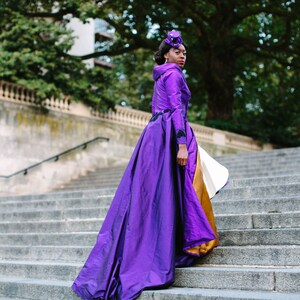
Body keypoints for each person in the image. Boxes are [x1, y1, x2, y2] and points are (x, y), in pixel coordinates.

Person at [72, 30, 229, 300]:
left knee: (155, 194)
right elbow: (176, 110)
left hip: (154, 136)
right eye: (178, 51)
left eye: (184, 53)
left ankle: (161, 245)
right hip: (169, 136)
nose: (183, 56)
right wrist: (181, 144)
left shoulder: (161, 75)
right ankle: (169, 248)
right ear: (166, 53)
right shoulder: (173, 74)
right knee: (175, 190)